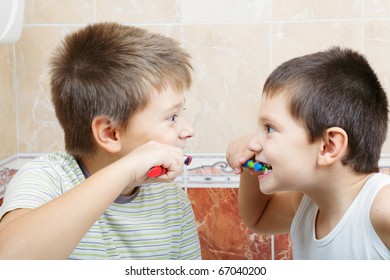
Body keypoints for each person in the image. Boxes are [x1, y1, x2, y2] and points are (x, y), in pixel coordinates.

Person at [0, 22, 201, 260]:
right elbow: (9, 260)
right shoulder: (47, 178)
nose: (188, 130)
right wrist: (126, 169)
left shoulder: (172, 202)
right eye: (172, 117)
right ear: (110, 134)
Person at [226, 47, 390, 259]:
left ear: (328, 146)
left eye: (269, 129)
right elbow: (259, 218)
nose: (254, 142)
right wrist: (247, 163)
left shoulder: (381, 207)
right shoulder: (306, 203)